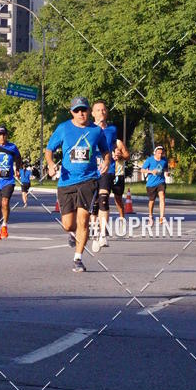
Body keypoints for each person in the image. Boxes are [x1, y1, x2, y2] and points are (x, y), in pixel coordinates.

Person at [45, 96, 110, 272]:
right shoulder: (63, 128)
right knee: (68, 224)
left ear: (88, 111)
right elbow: (49, 149)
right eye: (77, 110)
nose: (81, 113)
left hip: (89, 180)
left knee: (83, 220)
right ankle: (73, 234)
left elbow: (106, 150)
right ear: (72, 112)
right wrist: (50, 164)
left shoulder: (96, 131)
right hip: (66, 181)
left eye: (84, 110)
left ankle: (78, 258)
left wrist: (106, 161)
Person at [90, 100, 129, 251]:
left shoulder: (112, 129)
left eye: (103, 110)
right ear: (92, 113)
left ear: (106, 112)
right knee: (93, 205)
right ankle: (95, 233)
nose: (101, 112)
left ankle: (103, 234)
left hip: (108, 169)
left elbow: (116, 146)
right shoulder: (88, 128)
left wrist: (118, 153)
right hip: (90, 170)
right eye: (98, 110)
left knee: (104, 199)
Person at [141, 145, 169, 223]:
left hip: (161, 182)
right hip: (151, 184)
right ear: (155, 153)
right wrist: (151, 171)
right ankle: (150, 215)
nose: (160, 155)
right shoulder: (149, 160)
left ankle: (162, 217)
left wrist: (167, 172)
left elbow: (166, 168)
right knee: (152, 201)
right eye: (158, 153)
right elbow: (142, 170)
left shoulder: (164, 160)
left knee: (162, 196)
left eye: (161, 153)